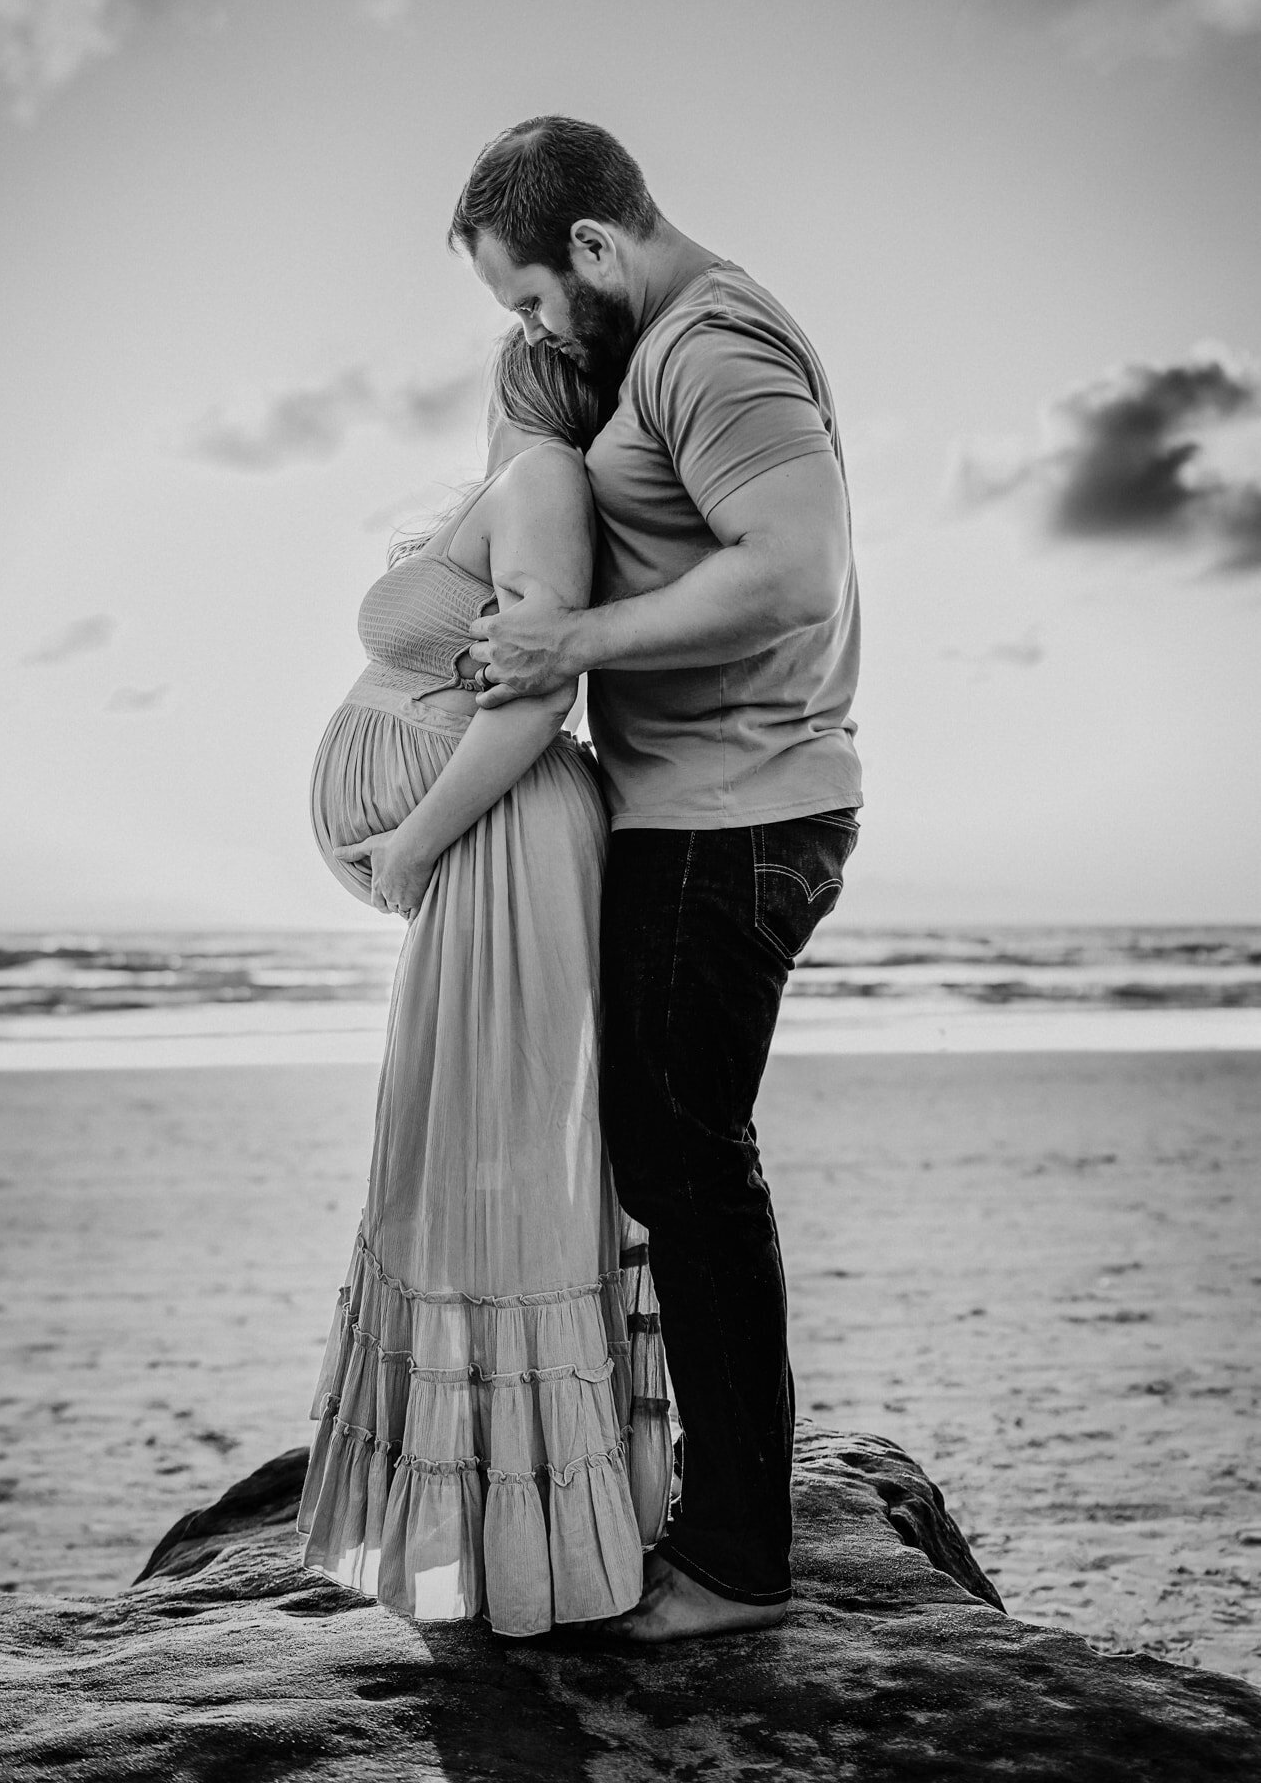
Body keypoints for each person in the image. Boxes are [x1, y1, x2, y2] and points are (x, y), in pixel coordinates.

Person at [451, 116, 863, 1641]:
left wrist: (573, 644)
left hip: (732, 818)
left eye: (531, 301)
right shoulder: (656, 356)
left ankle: (738, 1562)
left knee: (687, 1169)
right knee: (676, 1162)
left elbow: (792, 568)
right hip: (706, 812)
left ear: (596, 249)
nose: (537, 330)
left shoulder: (709, 346)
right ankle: (717, 1519)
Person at [296, 331, 673, 1637]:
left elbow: (529, 702)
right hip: (492, 846)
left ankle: (525, 1557)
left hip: (500, 838)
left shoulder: (544, 482)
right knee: (468, 1161)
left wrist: (407, 837)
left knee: (489, 1170)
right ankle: (503, 1546)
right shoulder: (521, 487)